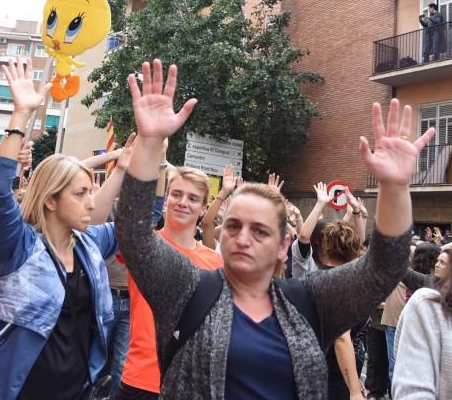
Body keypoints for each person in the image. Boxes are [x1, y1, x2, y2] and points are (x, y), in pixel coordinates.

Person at [114, 59, 430, 399]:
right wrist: (148, 144)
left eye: (260, 231)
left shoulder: (312, 301)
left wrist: (395, 188)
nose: (243, 237)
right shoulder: (186, 289)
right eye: (233, 225)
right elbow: (134, 237)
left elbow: (384, 268)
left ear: (284, 245)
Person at [0, 58, 119, 400]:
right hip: (14, 391)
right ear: (50, 200)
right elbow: (1, 190)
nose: (91, 204)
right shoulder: (19, 246)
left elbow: (137, 223)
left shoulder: (89, 245)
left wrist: (148, 157)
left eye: (91, 193)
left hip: (77, 390)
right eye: (80, 194)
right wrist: (21, 116)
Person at [115, 163, 222, 400]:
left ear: (204, 209)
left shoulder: (216, 263)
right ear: (166, 200)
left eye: (193, 198)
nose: (183, 202)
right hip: (142, 378)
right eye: (176, 194)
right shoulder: (143, 246)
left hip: (191, 385)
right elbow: (128, 215)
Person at [318, 221, 369, 400]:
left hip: (331, 372)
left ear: (326, 248)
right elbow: (341, 338)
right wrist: (354, 390)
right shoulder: (339, 284)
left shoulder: (320, 277)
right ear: (355, 252)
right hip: (331, 375)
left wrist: (353, 380)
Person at [392, 254, 452, 399]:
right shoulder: (428, 302)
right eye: (437, 261)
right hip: (400, 329)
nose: (437, 265)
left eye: (442, 262)